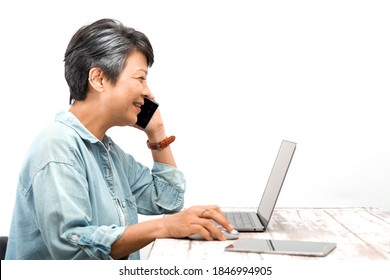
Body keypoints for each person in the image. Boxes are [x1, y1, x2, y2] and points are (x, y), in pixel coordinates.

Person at [6, 18, 233, 260]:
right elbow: (73, 250)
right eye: (140, 78)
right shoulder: (57, 149)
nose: (148, 93)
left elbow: (168, 200)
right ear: (99, 79)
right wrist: (163, 227)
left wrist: (157, 131)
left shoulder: (107, 151)